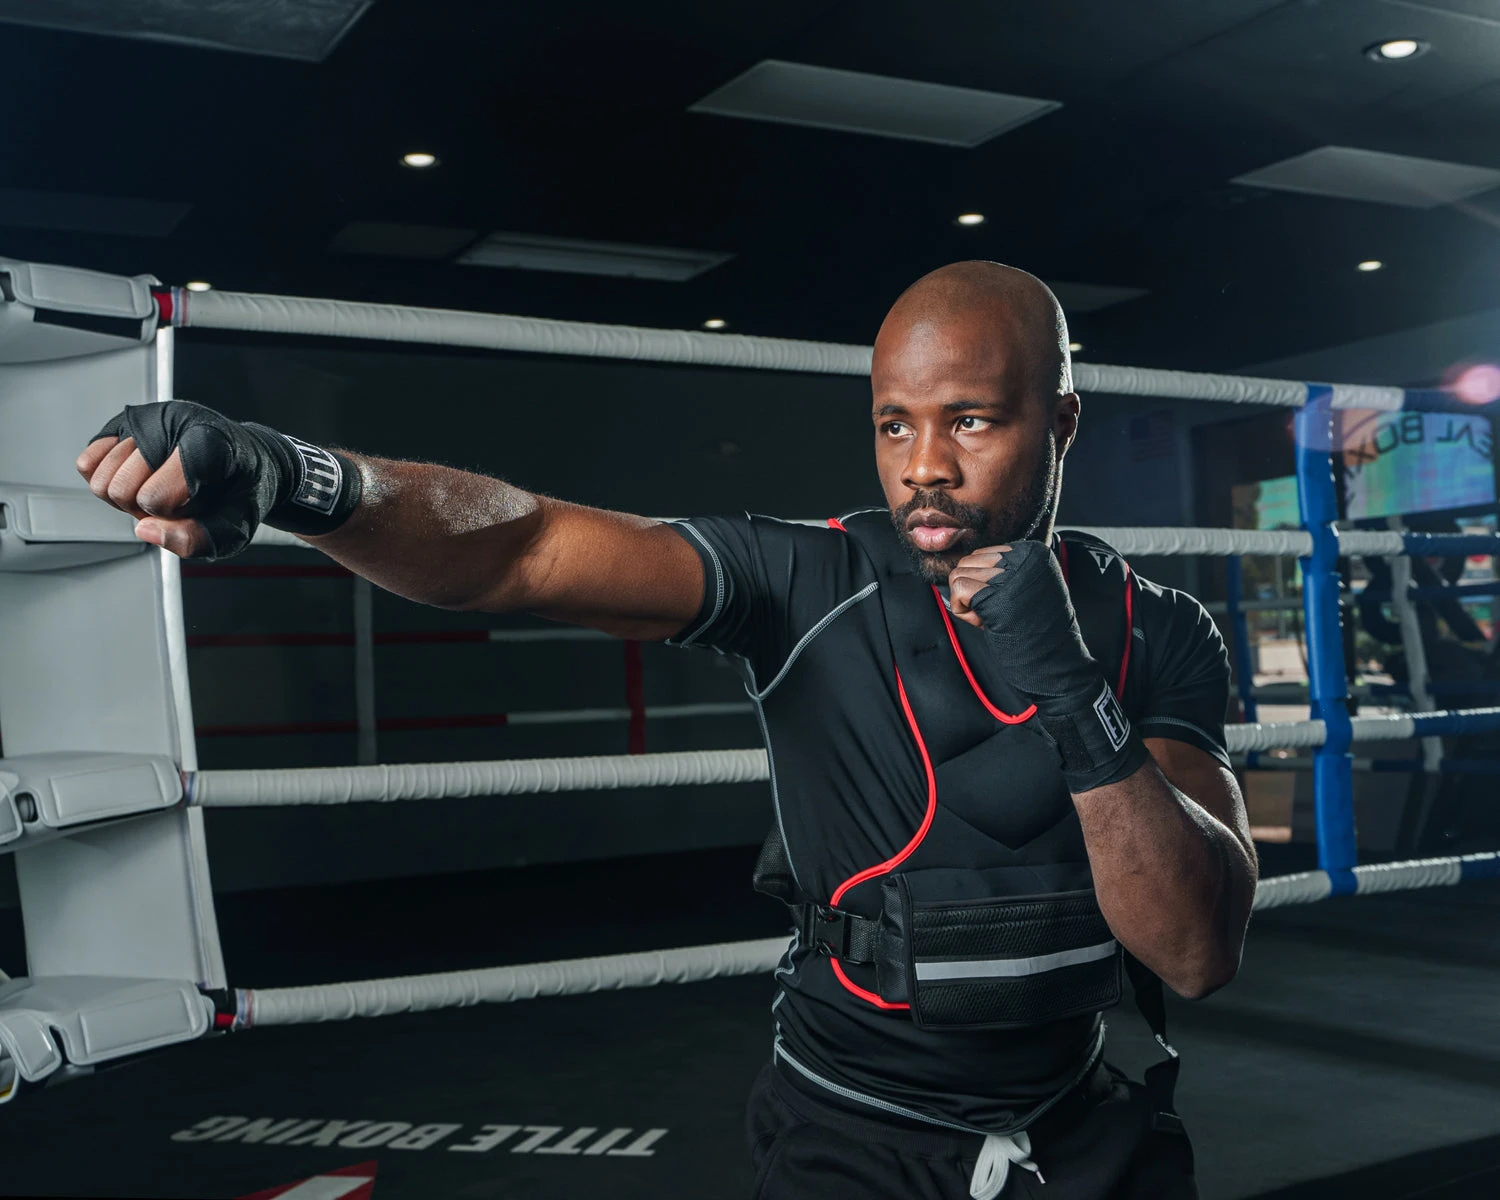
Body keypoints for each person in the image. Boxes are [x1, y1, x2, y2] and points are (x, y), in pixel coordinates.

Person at [77, 261, 1257, 1198]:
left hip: (1080, 1131)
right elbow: (522, 547)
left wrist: (1069, 689)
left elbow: (1195, 950)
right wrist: (300, 478)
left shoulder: (1157, 628)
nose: (926, 469)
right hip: (854, 1137)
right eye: (895, 426)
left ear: (1062, 421)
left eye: (972, 421)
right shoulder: (807, 581)